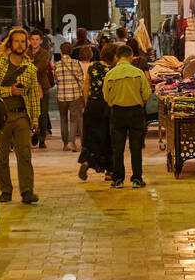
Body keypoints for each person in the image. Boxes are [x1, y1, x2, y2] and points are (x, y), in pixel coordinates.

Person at [0, 28, 40, 204]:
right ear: (10, 44)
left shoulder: (30, 68)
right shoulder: (0, 64)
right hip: (2, 117)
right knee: (1, 156)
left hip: (22, 117)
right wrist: (10, 91)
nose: (20, 44)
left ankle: (27, 191)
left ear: (27, 45)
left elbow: (32, 95)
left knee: (24, 154)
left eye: (23, 41)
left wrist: (35, 118)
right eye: (16, 41)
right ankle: (5, 190)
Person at [103, 42, 152, 189]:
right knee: (135, 148)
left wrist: (115, 101)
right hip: (135, 113)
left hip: (117, 113)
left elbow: (106, 96)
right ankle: (137, 179)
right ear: (131, 57)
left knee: (117, 148)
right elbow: (147, 94)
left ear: (117, 57)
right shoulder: (138, 73)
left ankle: (118, 180)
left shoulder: (110, 74)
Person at [78, 41, 115, 181]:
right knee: (108, 138)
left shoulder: (93, 66)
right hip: (107, 105)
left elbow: (85, 87)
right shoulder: (113, 69)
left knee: (91, 137)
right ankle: (109, 171)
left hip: (93, 105)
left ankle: (87, 161)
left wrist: (87, 104)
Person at [54, 41, 85, 151]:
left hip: (61, 95)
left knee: (63, 119)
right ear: (71, 52)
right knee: (74, 119)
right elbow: (81, 79)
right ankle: (71, 142)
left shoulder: (56, 64)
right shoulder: (76, 63)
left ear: (61, 52)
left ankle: (65, 143)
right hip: (75, 95)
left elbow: (56, 80)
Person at [29, 28, 53, 149]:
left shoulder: (44, 53)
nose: (34, 42)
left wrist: (29, 68)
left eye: (37, 39)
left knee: (43, 113)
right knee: (30, 113)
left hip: (42, 86)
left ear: (40, 41)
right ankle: (34, 133)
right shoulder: (25, 53)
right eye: (32, 39)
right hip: (28, 86)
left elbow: (41, 67)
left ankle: (42, 138)